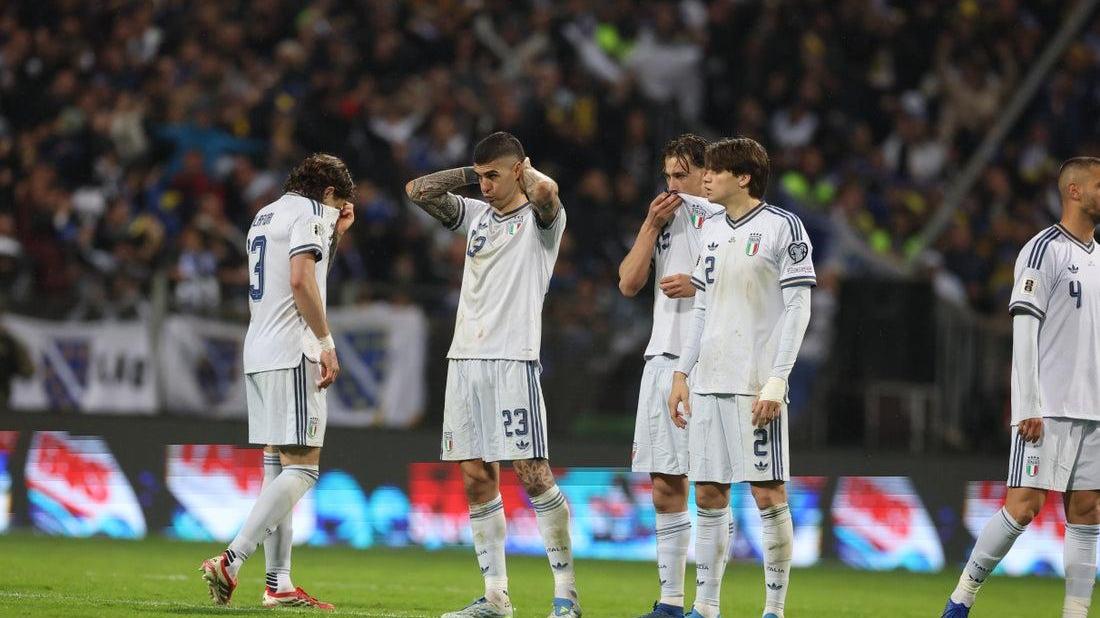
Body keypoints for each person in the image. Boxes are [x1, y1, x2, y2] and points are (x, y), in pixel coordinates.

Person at [405, 131, 580, 618]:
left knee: (532, 473)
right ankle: (496, 597)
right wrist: (472, 172)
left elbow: (547, 194)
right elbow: (418, 191)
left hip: (513, 358)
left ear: (519, 170)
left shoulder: (543, 222)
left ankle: (566, 593)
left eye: (493, 175)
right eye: (480, 177)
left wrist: (524, 170)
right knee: (476, 476)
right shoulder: (478, 215)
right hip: (464, 359)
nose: (484, 186)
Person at [942, 157, 1100, 618]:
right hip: (1047, 406)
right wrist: (1026, 403)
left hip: (1093, 408)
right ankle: (961, 597)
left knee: (1088, 511)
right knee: (1023, 507)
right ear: (1074, 191)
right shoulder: (1042, 250)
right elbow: (1024, 330)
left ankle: (1075, 613)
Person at [199, 153, 356, 609]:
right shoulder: (310, 214)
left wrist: (337, 233)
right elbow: (303, 280)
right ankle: (232, 558)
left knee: (278, 466)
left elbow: (308, 267)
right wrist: (326, 341)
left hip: (259, 350)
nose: (337, 215)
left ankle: (279, 583)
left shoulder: (265, 214)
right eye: (339, 204)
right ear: (328, 193)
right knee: (304, 468)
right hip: (294, 351)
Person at [668, 137, 815, 618]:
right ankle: (704, 607)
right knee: (708, 492)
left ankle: (774, 610)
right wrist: (682, 372)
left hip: (755, 385)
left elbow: (797, 308)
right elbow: (704, 308)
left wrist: (777, 380)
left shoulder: (782, 227)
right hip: (709, 382)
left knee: (767, 493)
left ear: (744, 177)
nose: (704, 177)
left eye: (714, 170)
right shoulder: (711, 231)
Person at [617, 134, 723, 618]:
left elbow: (750, 285)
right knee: (665, 484)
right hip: (661, 357)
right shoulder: (663, 218)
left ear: (707, 174)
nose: (674, 185)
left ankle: (707, 604)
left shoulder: (726, 219)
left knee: (709, 487)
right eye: (668, 176)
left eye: (682, 175)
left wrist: (699, 283)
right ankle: (671, 603)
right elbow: (629, 282)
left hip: (710, 361)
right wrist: (648, 224)